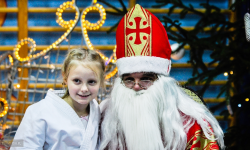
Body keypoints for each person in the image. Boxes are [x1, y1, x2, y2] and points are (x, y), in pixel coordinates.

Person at [99, 4, 225, 150]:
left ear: (162, 81)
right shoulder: (107, 122)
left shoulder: (190, 123)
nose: (137, 86)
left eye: (146, 78)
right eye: (129, 79)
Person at [10, 48, 105, 150]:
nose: (84, 89)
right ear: (65, 78)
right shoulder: (38, 112)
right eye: (77, 81)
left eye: (91, 82)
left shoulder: (97, 111)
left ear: (101, 80)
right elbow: (20, 146)